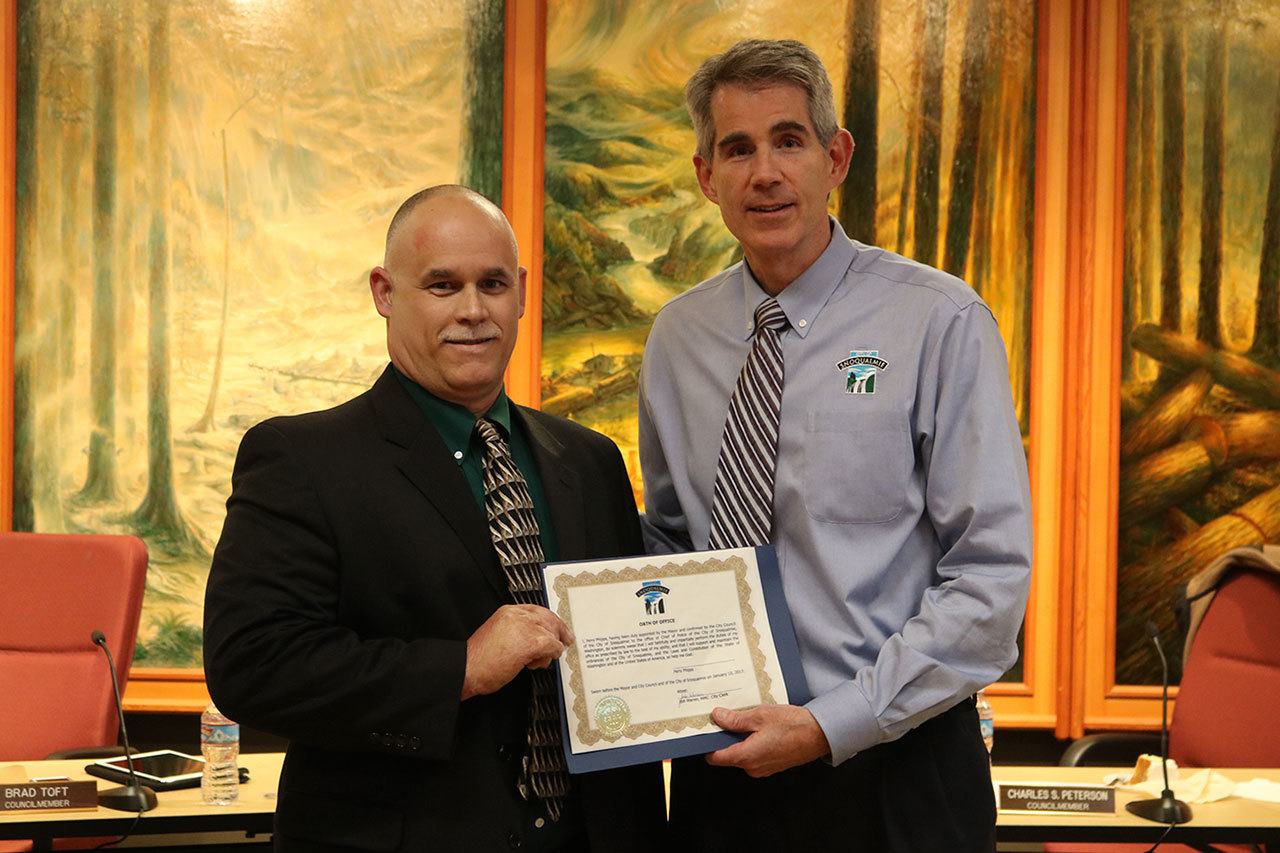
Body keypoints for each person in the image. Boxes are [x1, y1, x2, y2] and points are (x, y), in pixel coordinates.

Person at [638, 39, 1033, 851]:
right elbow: (673, 546)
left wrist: (829, 723)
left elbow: (990, 581)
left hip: (898, 770)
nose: (765, 173)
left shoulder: (939, 321)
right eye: (737, 149)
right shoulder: (678, 338)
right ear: (707, 176)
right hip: (726, 773)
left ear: (835, 157)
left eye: (788, 140)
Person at [205, 186, 665, 852]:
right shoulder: (301, 459)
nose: (473, 311)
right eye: (443, 285)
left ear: (521, 292)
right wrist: (461, 669)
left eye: (493, 284)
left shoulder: (590, 461)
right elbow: (252, 666)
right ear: (385, 293)